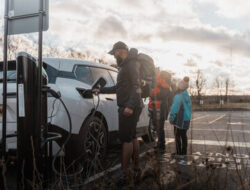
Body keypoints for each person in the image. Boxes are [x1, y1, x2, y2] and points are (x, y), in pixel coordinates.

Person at [93, 41, 142, 185]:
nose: (114, 56)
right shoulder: (126, 65)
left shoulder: (131, 64)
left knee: (126, 139)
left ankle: (125, 173)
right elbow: (118, 87)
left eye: (114, 53)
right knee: (132, 137)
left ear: (120, 51)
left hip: (129, 106)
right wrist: (100, 90)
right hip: (130, 105)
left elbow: (136, 86)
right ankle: (136, 168)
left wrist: (130, 105)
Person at [148, 70, 172, 151]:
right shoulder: (163, 85)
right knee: (157, 127)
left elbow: (161, 95)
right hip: (158, 107)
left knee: (159, 127)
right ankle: (160, 143)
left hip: (160, 108)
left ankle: (161, 145)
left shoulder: (165, 86)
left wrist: (152, 95)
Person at [169, 76, 192, 157]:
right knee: (183, 135)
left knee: (177, 135)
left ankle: (179, 153)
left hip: (180, 119)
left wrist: (171, 118)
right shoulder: (187, 95)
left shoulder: (178, 96)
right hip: (187, 118)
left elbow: (174, 108)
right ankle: (183, 152)